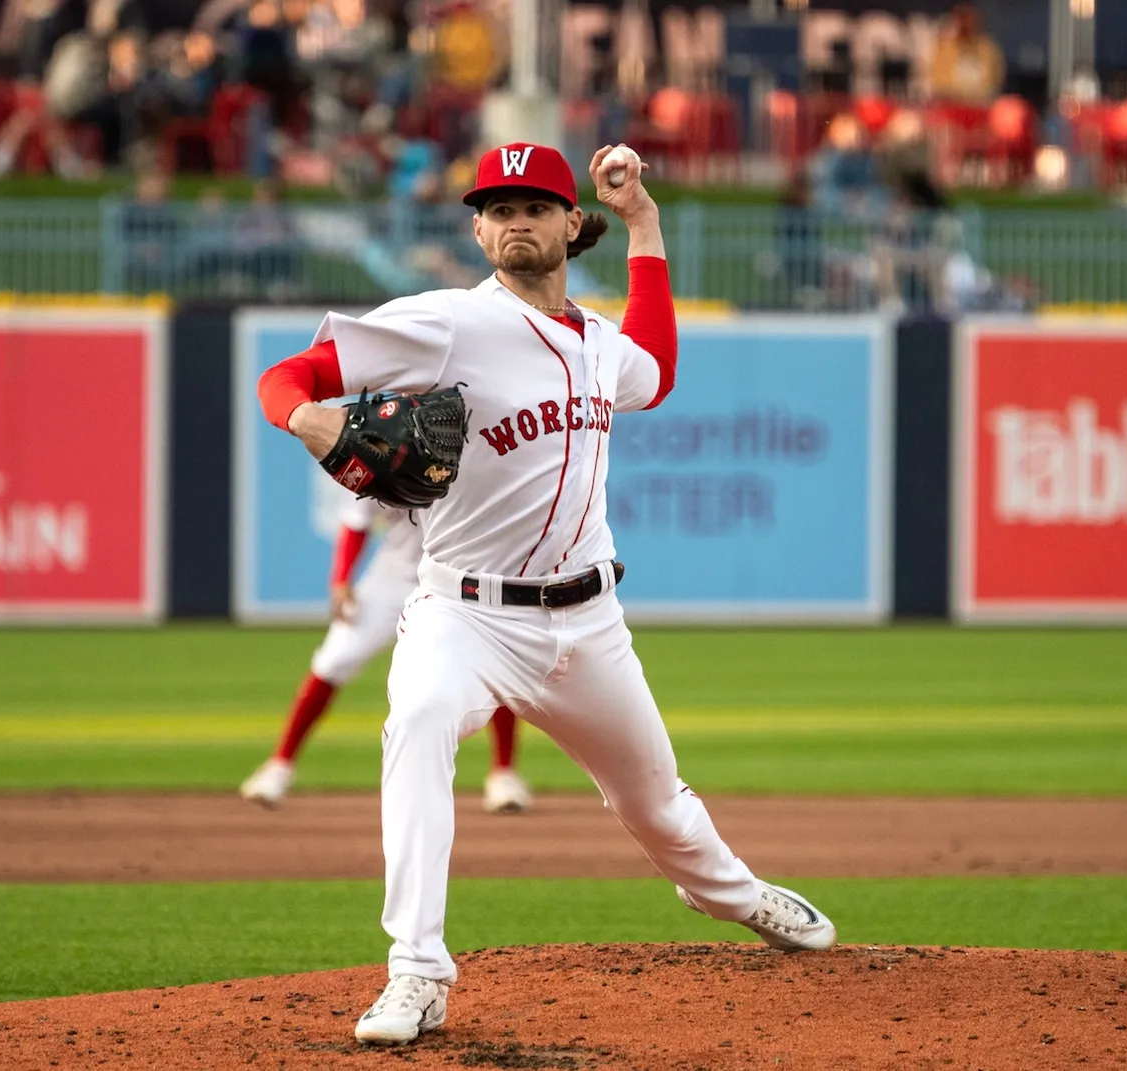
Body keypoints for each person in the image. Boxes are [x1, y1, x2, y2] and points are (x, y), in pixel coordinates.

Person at [255, 141, 837, 1047]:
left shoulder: (600, 344)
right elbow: (287, 375)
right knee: (415, 724)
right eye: (495, 207)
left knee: (657, 806)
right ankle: (416, 970)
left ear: (572, 223)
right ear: (478, 228)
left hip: (589, 622)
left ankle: (733, 893)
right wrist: (310, 416)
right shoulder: (445, 321)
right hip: (464, 612)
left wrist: (644, 220)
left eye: (534, 204)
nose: (514, 219)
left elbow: (659, 369)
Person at [240, 492, 532, 813]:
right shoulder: (384, 451)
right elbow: (357, 520)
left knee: (493, 662)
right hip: (394, 578)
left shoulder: (477, 456)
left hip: (459, 583)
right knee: (334, 659)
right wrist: (340, 578)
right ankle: (279, 766)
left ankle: (504, 773)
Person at [930, 3, 1004, 105]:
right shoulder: (944, 48)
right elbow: (938, 82)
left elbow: (994, 82)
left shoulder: (988, 49)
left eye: (968, 18)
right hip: (952, 106)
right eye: (961, 17)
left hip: (980, 105)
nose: (965, 23)